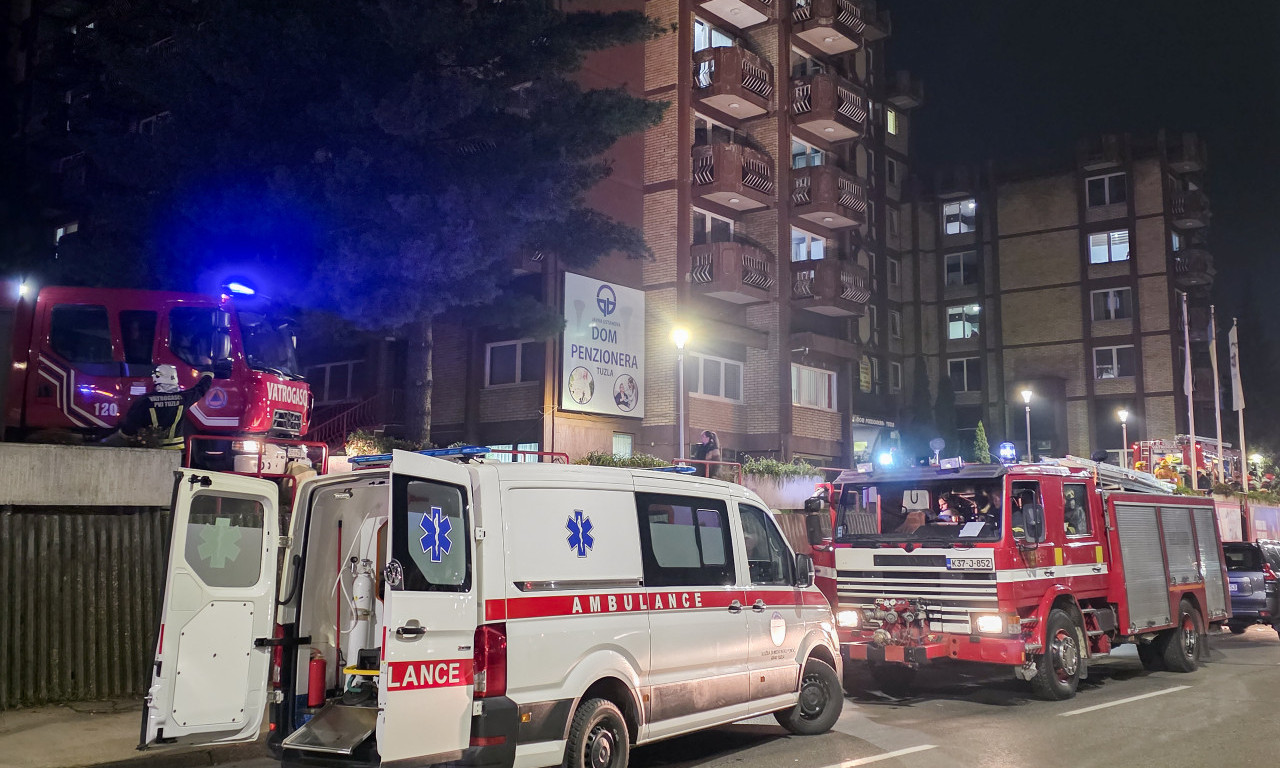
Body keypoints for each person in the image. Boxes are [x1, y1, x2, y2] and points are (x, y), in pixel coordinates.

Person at [108, 364, 213, 449]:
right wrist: (208, 374)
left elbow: (129, 426)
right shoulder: (183, 398)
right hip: (176, 449)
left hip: (153, 449)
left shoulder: (145, 400)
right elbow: (200, 389)